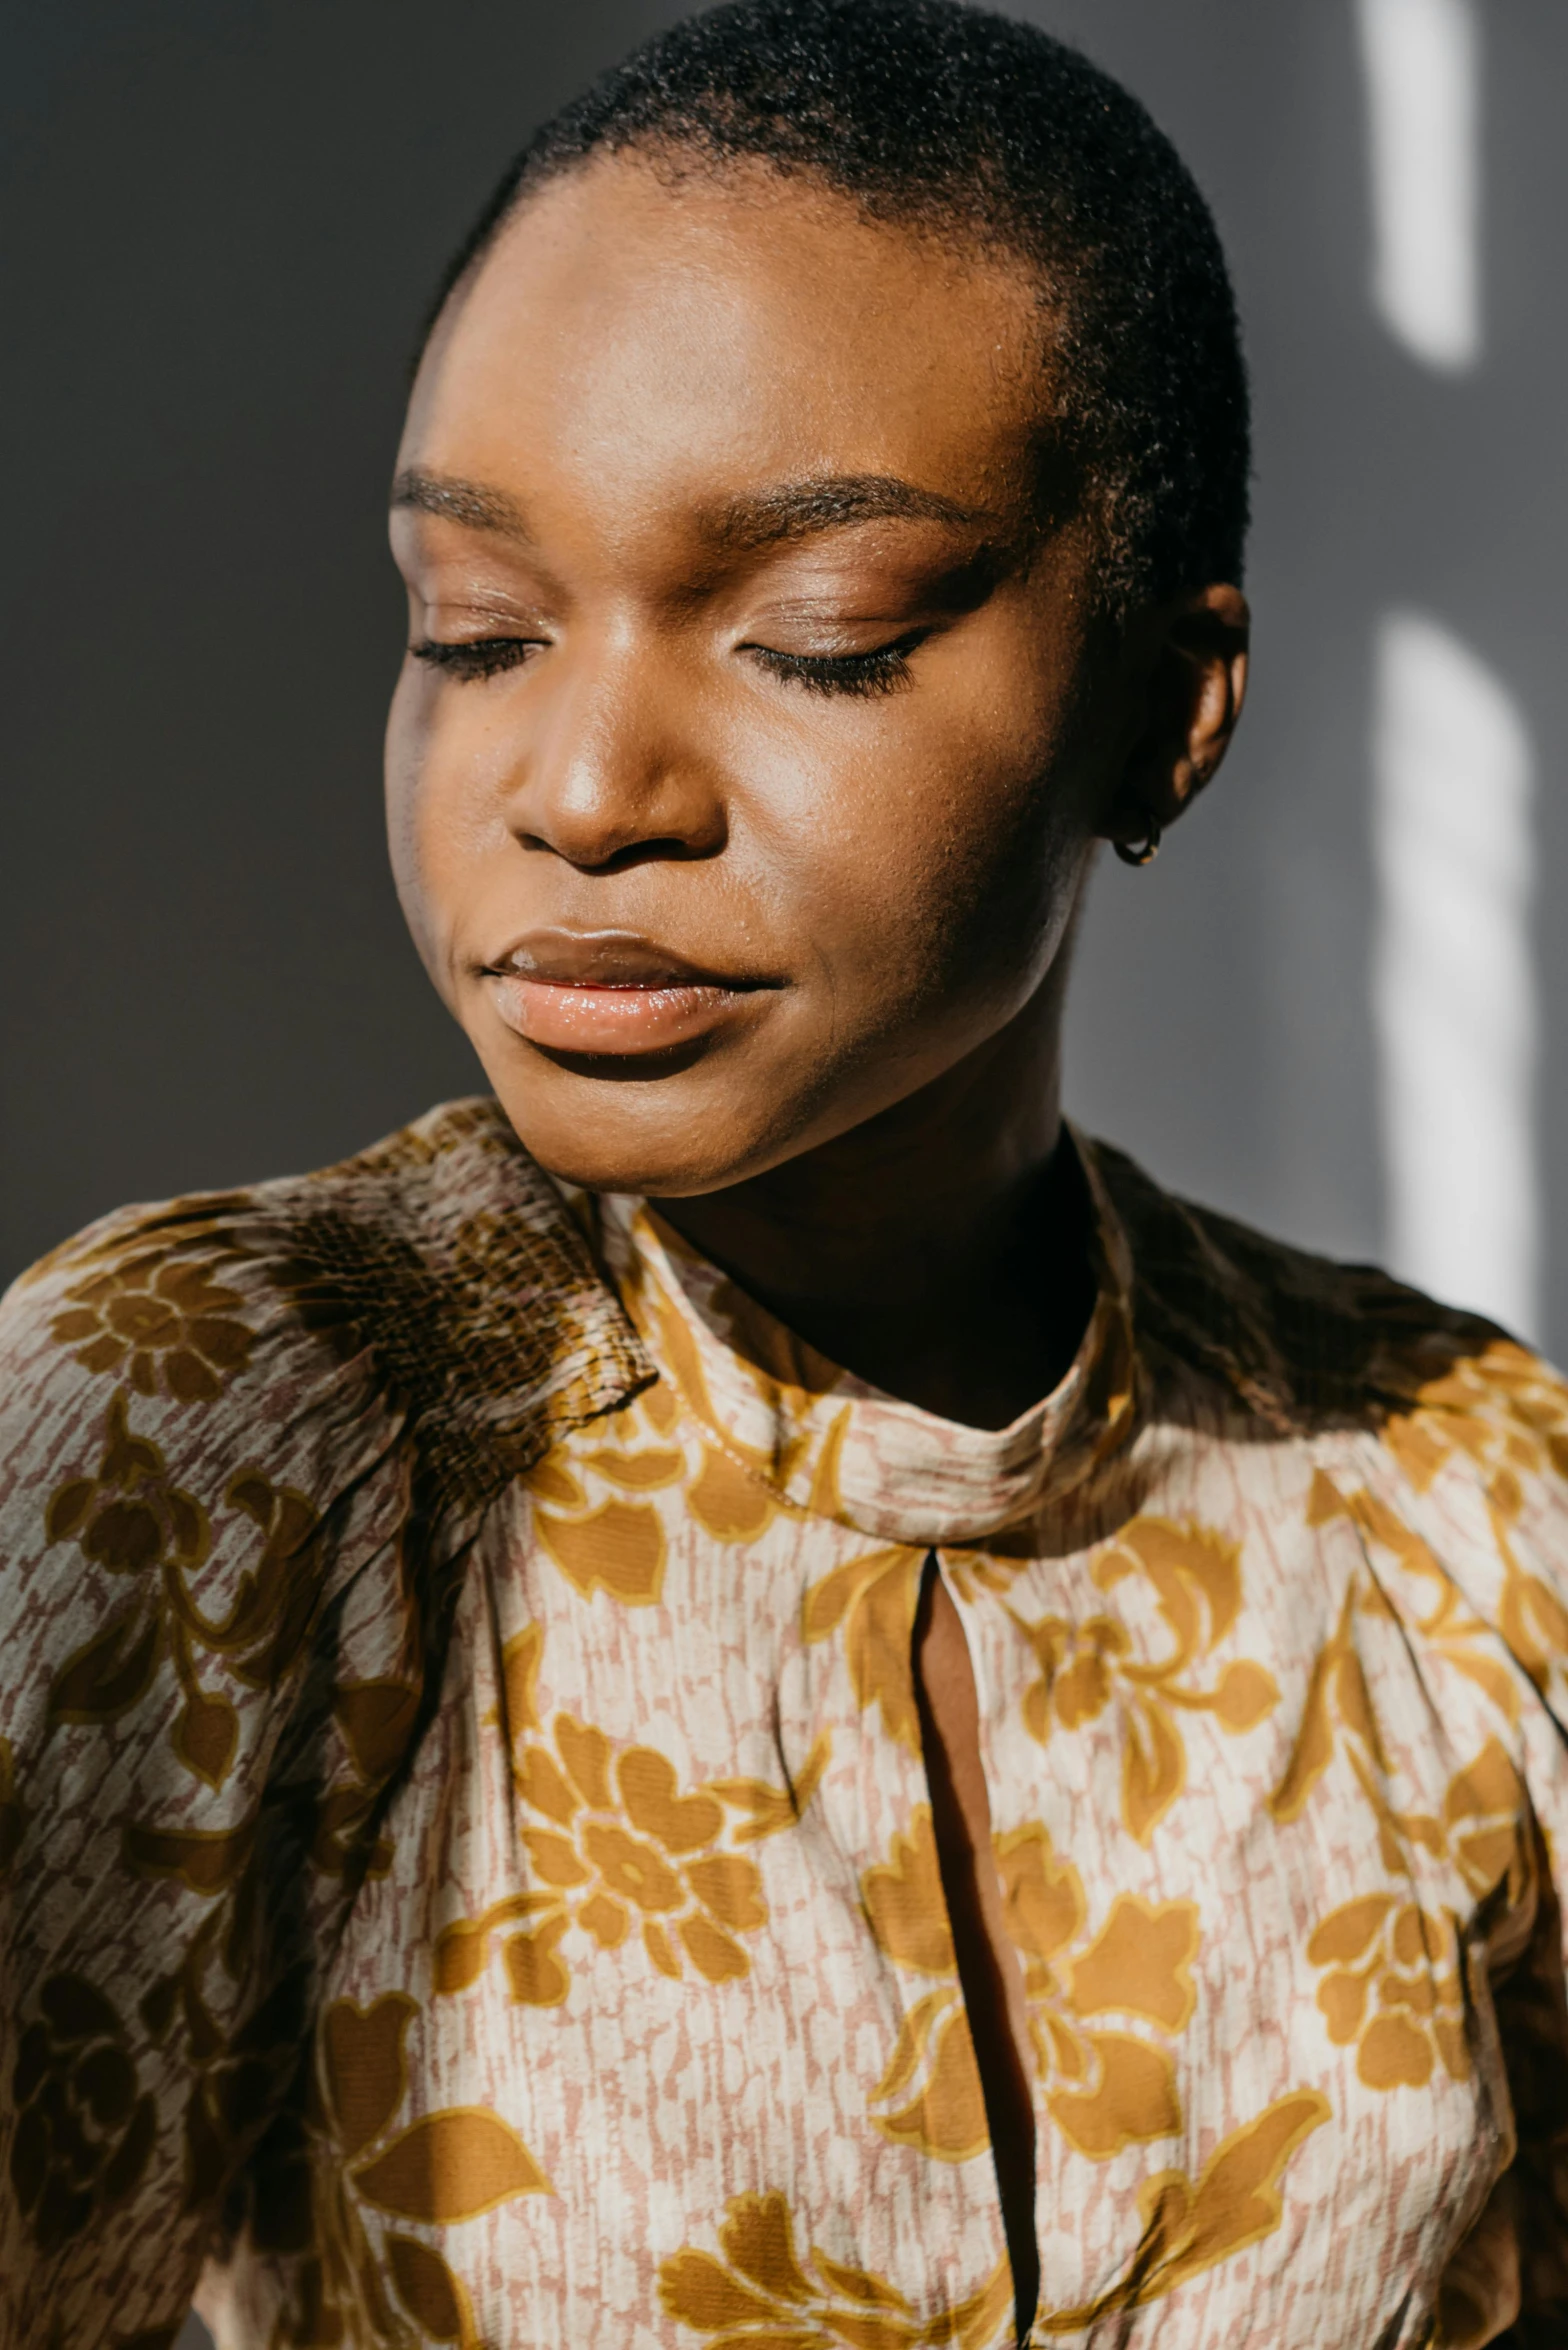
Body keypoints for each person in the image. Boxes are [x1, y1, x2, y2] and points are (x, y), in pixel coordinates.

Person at [1, 0, 1563, 2341]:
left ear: (1167, 703)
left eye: (811, 637)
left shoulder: (1471, 1517)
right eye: (476, 629)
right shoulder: (204, 1441)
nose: (584, 784)